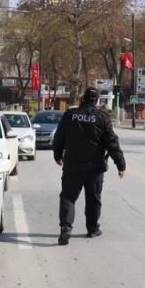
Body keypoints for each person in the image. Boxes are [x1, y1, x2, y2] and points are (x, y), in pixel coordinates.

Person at [52, 87, 126, 245]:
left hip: (72, 165)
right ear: (97, 101)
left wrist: (57, 155)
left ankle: (65, 227)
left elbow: (59, 137)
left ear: (82, 99)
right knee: (93, 199)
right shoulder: (102, 118)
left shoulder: (69, 115)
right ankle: (92, 229)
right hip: (95, 168)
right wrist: (121, 164)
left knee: (68, 197)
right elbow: (112, 143)